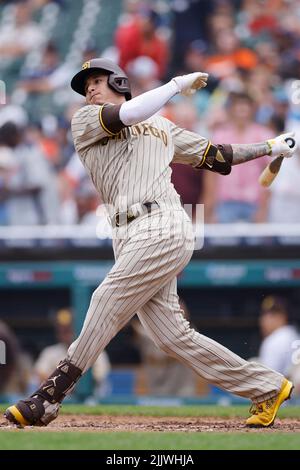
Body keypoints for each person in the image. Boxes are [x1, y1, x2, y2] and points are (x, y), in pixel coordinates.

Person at [4, 58, 296, 428]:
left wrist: (269, 146)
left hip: (164, 222)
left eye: (98, 80)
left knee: (104, 299)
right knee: (173, 336)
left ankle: (49, 396)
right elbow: (127, 114)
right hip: (125, 234)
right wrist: (174, 85)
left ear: (121, 81)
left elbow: (217, 155)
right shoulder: (85, 120)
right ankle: (267, 387)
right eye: (85, 85)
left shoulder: (161, 125)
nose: (90, 89)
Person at [258, 296, 299, 378]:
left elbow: (268, 380)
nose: (264, 320)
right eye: (265, 315)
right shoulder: (294, 334)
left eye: (272, 316)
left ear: (283, 317)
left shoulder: (274, 340)